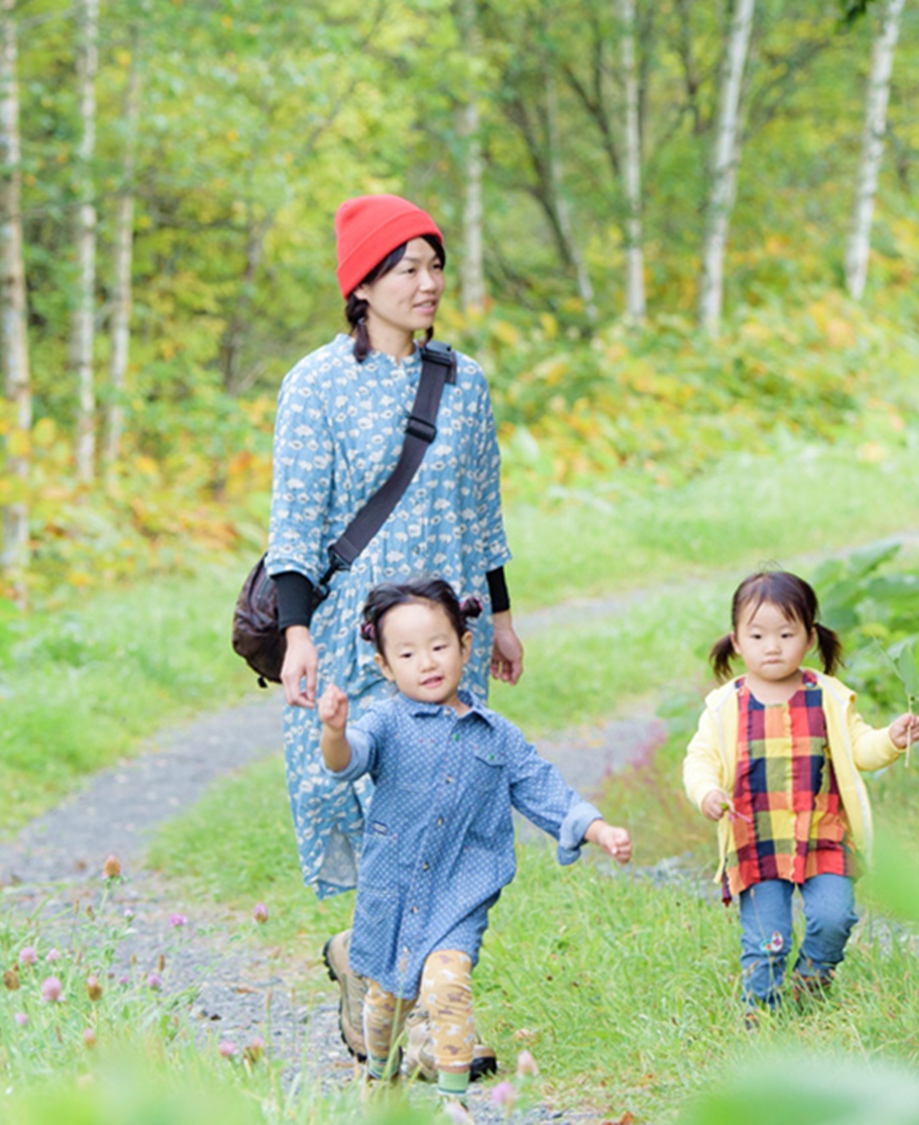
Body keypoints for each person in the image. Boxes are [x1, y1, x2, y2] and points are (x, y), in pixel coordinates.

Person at [266, 194, 526, 1060]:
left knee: (444, 815)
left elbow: (482, 510)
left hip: (453, 637)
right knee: (382, 813)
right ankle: (404, 998)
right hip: (352, 635)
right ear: (363, 284)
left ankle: (403, 993)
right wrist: (298, 634)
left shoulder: (466, 381)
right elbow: (295, 522)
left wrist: (506, 615)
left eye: (435, 264)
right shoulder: (314, 385)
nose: (429, 283)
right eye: (407, 267)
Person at [318, 579, 632, 1102]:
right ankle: (379, 1080)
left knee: (447, 986)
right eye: (408, 653)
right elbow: (348, 758)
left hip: (459, 895)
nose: (427, 662)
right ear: (385, 667)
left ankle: (452, 1100)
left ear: (465, 647)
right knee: (385, 1002)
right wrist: (333, 731)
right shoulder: (385, 722)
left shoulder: (496, 735)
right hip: (391, 891)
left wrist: (597, 828)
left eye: (440, 646)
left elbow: (542, 786)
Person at [681, 571, 919, 1014]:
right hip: (756, 841)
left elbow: (860, 747)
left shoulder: (827, 696)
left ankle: (812, 979)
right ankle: (763, 1019)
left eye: (786, 634)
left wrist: (892, 738)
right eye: (758, 635)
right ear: (736, 641)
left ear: (809, 638)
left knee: (835, 917)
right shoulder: (724, 706)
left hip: (822, 834)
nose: (772, 646)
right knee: (767, 942)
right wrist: (707, 792)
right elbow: (699, 761)